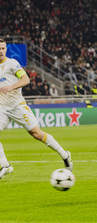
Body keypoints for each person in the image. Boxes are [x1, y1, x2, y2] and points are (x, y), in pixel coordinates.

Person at [0, 39, 73, 179]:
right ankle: (5, 166)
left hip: (17, 106)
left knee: (37, 134)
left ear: (6, 49)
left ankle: (65, 155)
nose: (0, 51)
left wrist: (10, 87)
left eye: (3, 48)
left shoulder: (12, 64)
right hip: (2, 109)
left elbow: (26, 80)